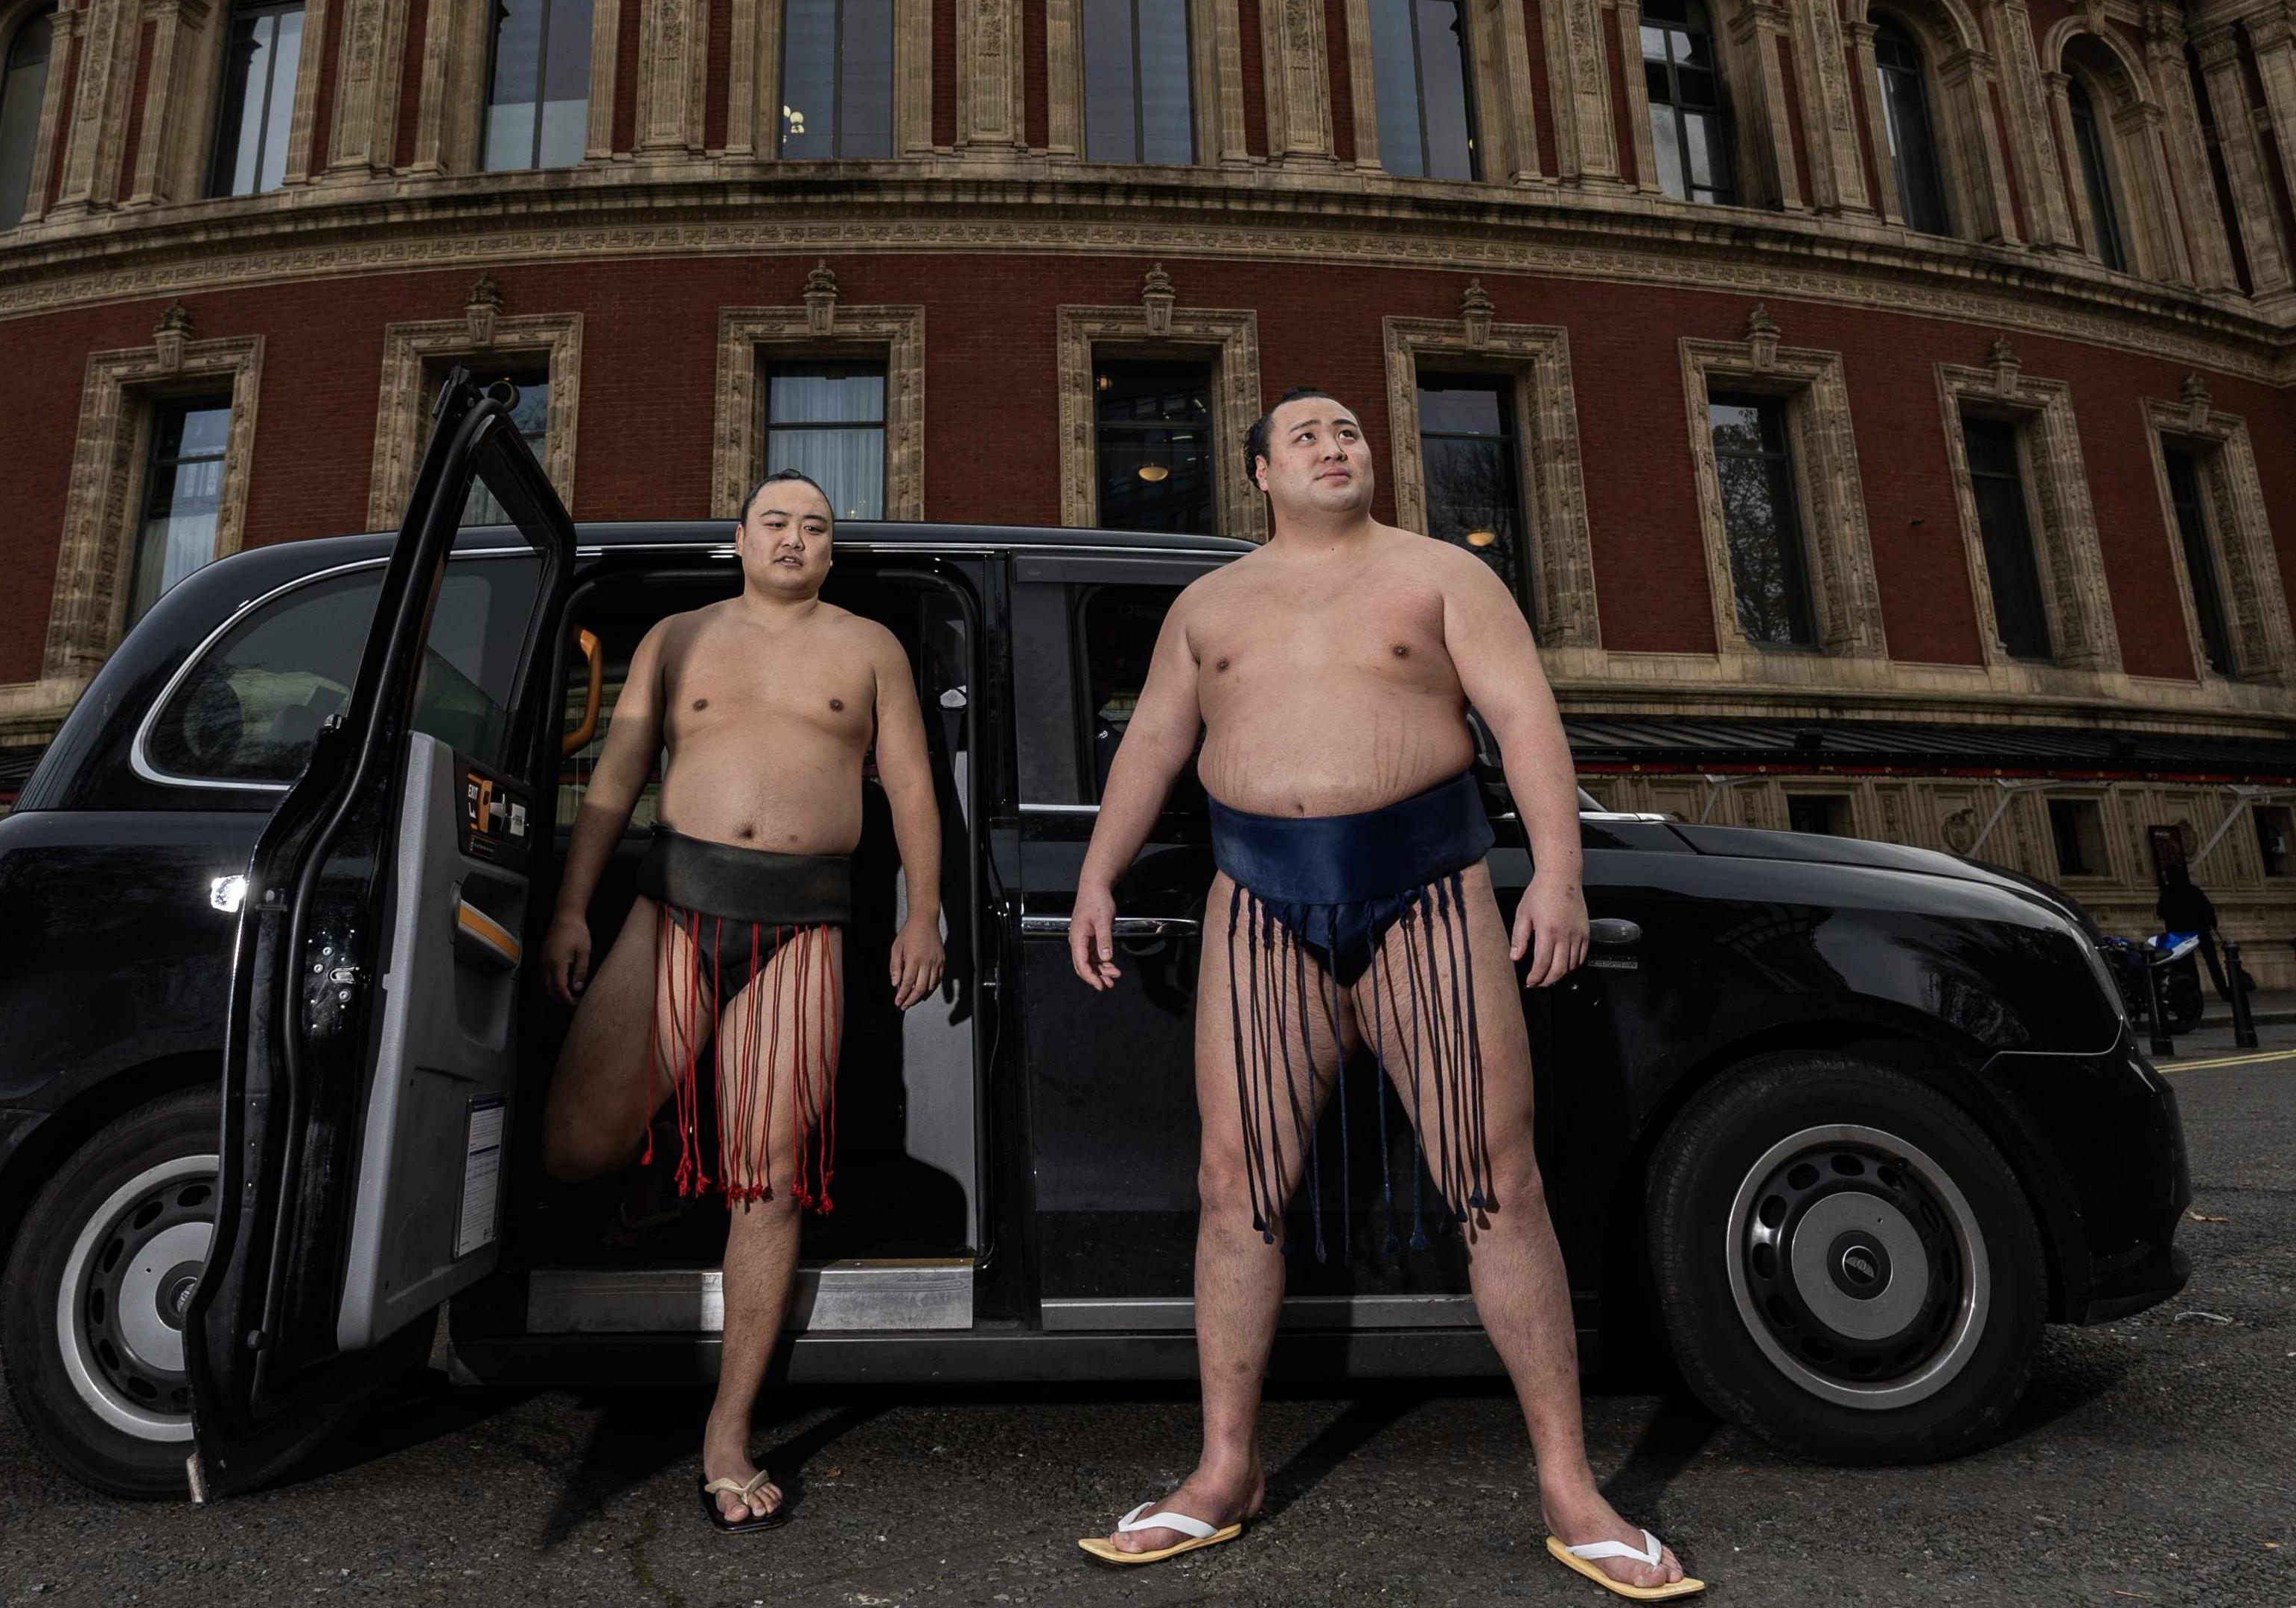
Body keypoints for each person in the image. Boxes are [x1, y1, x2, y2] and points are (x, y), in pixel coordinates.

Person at [1064, 388, 1701, 1598]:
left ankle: (1571, 1487)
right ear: (1260, 471)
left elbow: (1524, 721)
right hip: (1256, 898)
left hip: (1427, 892)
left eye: (1349, 431)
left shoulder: (1442, 578)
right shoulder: (1209, 605)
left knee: (1498, 1182)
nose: (1333, 445)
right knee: (1232, 1183)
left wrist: (1557, 875)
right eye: (1305, 434)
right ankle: (1223, 1469)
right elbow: (1152, 743)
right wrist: (1098, 877)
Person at [537, 469, 948, 1532]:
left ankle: (727, 1433)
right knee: (575, 1144)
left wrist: (923, 914)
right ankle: (654, 1189)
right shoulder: (680, 636)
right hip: (673, 908)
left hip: (806, 925)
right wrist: (574, 908)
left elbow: (909, 783)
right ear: (739, 538)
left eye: (816, 526)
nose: (797, 539)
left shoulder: (869, 647)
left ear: (830, 550)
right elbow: (618, 779)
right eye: (778, 521)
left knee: (766, 1182)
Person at [2157, 860, 2225, 996]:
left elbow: (2161, 913)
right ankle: (2223, 990)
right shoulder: (2193, 891)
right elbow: (2208, 909)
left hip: (2181, 934)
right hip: (2200, 930)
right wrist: (2211, 922)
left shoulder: (2168, 894)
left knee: (2189, 966)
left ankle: (2194, 992)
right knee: (2212, 962)